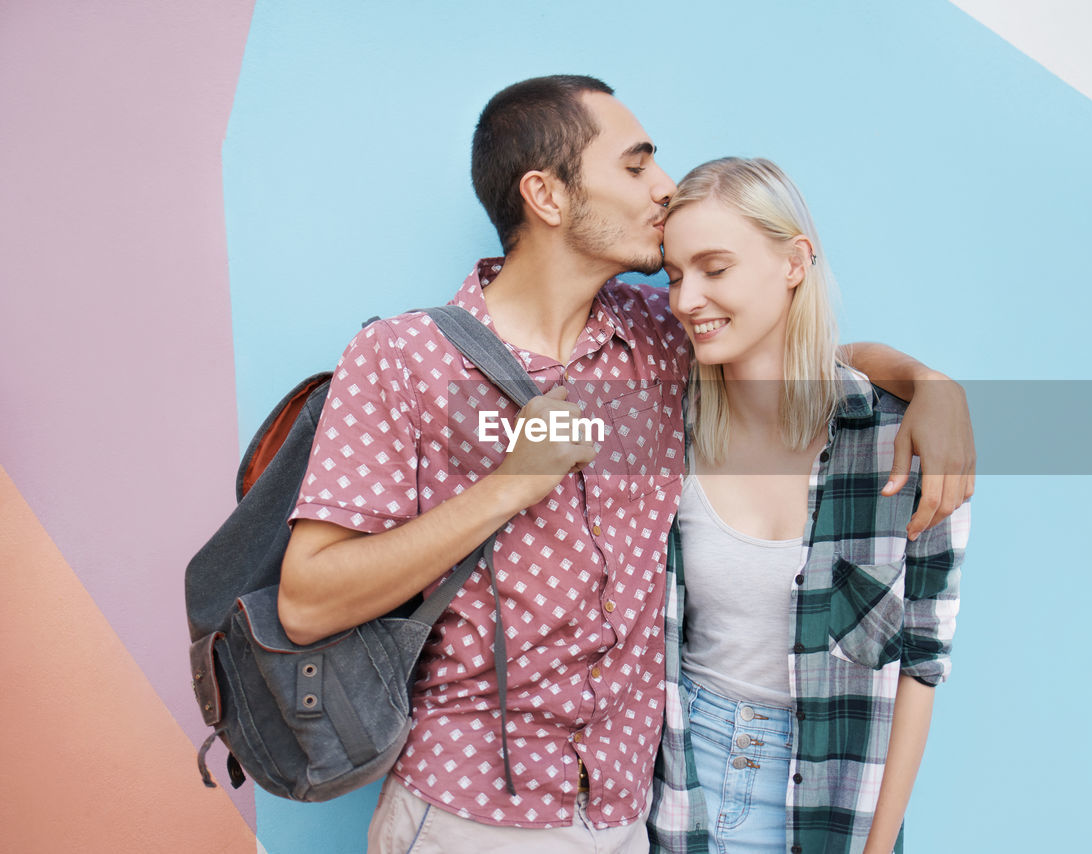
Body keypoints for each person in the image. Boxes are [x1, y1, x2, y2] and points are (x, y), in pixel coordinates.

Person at [277, 76, 973, 852]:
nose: (664, 188)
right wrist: (512, 484)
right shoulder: (402, 359)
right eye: (637, 166)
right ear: (546, 195)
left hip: (632, 821)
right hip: (467, 815)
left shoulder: (660, 339)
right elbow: (307, 602)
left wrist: (928, 385)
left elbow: (793, 352)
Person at [647, 157, 969, 854]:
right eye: (674, 275)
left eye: (715, 268)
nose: (684, 299)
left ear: (794, 262)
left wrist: (878, 848)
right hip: (677, 787)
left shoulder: (903, 436)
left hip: (830, 798)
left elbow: (922, 661)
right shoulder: (666, 423)